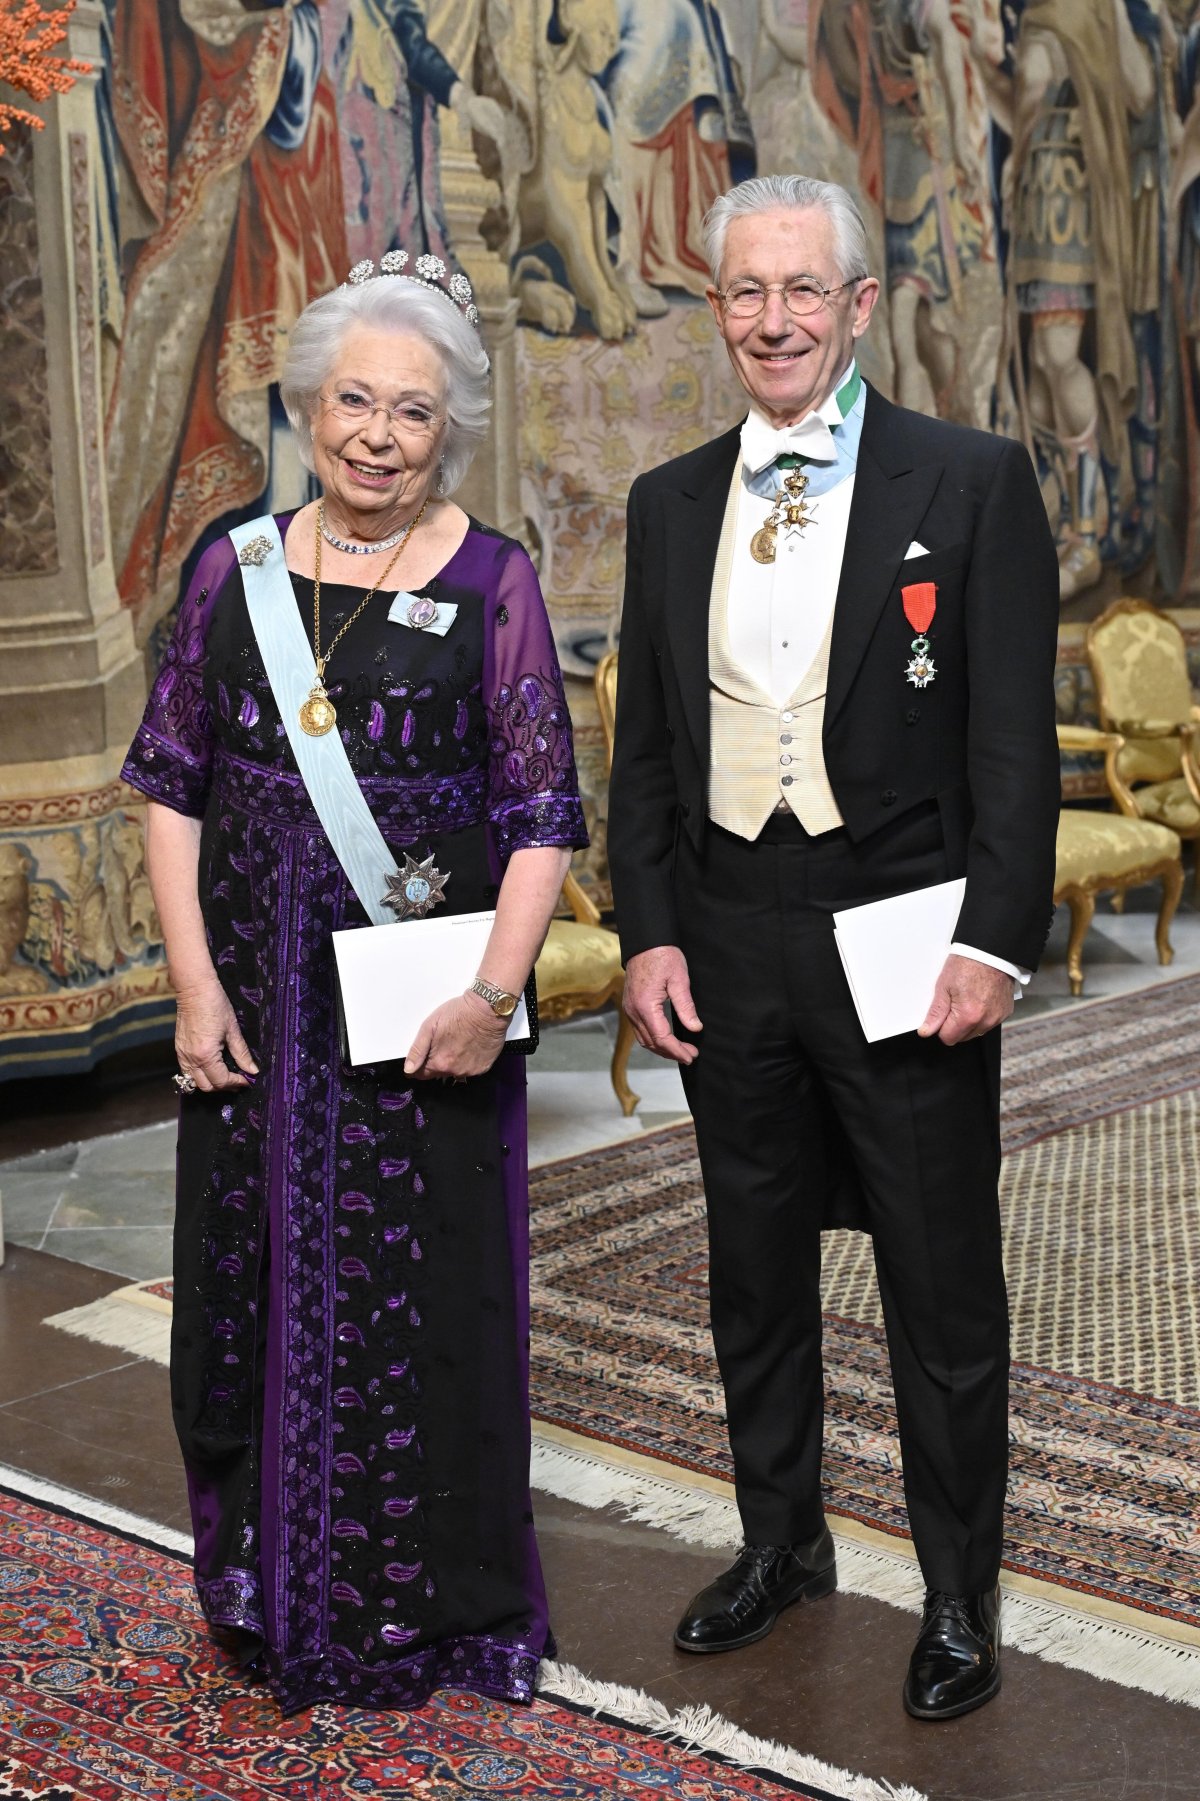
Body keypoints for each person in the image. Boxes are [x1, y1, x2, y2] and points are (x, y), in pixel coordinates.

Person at [607, 173, 1058, 1721]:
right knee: (752, 1272)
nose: (776, 319)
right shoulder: (668, 502)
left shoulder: (970, 481)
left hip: (904, 936)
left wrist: (997, 941)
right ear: (718, 307)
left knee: (940, 1287)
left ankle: (955, 1595)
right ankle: (781, 1543)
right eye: (747, 292)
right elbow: (649, 751)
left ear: (860, 307)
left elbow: (1012, 736)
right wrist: (647, 932)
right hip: (729, 937)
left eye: (806, 290)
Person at [121, 254, 588, 1713]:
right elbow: (172, 785)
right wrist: (192, 985)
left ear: (449, 427)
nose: (378, 435)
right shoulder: (232, 563)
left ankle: (418, 1609)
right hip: (259, 1007)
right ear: (307, 405)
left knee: (422, 1303)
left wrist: (493, 993)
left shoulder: (491, 577)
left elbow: (541, 817)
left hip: (418, 1017)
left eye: (413, 411)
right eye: (354, 402)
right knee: (246, 1298)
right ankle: (265, 1580)